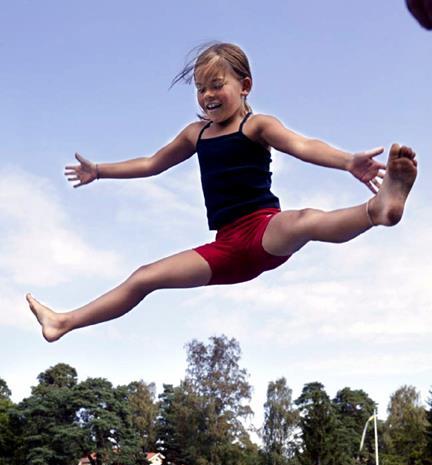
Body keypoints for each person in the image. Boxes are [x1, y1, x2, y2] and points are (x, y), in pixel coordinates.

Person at [26, 42, 417, 342]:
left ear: (244, 85)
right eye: (200, 88)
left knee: (305, 220)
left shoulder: (256, 125)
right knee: (144, 277)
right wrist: (100, 171)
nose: (208, 95)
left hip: (264, 230)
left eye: (217, 85)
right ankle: (64, 322)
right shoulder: (195, 134)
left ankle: (378, 210)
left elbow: (303, 144)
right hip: (226, 247)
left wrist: (348, 161)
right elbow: (151, 163)